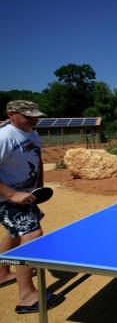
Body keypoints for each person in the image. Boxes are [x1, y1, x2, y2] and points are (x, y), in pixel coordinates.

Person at [0, 100, 63, 313]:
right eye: (28, 116)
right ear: (12, 115)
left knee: (16, 232)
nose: (34, 119)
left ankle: (2, 273)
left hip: (26, 195)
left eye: (36, 115)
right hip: (5, 198)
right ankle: (26, 297)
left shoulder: (32, 134)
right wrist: (12, 194)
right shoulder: (4, 136)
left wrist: (40, 185)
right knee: (32, 234)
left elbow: (37, 160)